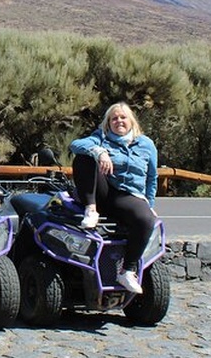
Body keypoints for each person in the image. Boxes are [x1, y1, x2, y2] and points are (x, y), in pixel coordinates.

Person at [69, 102, 158, 294]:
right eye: (114, 118)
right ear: (108, 123)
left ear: (131, 121)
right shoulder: (101, 137)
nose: (119, 121)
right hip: (104, 191)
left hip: (129, 196)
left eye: (123, 117)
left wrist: (149, 203)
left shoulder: (146, 144)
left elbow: (152, 177)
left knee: (147, 219)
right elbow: (75, 145)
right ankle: (91, 209)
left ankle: (127, 271)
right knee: (84, 157)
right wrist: (99, 152)